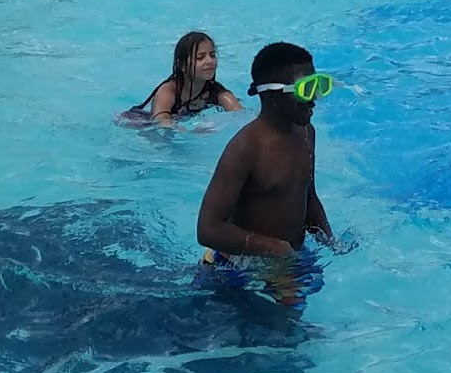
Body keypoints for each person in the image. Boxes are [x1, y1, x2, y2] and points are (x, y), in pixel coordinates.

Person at [195, 42, 340, 308]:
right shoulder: (246, 148)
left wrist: (330, 241)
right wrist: (272, 248)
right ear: (272, 96)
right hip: (236, 267)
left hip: (286, 259)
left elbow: (308, 196)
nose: (314, 98)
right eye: (306, 89)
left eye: (318, 86)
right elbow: (207, 228)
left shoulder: (307, 133)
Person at [129, 31, 244, 123]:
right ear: (182, 66)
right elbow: (160, 119)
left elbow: (242, 116)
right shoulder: (169, 90)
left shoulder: (219, 94)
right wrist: (185, 132)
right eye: (200, 57)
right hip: (143, 120)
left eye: (212, 55)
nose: (209, 61)